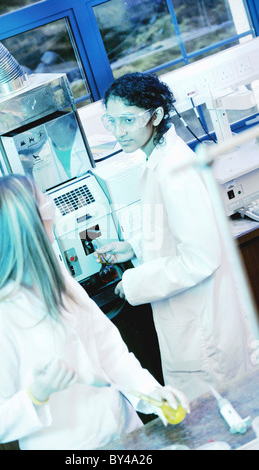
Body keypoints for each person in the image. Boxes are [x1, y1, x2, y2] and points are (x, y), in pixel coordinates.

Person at [0, 174, 189, 450]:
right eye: (42, 203)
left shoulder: (56, 278)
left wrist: (152, 395)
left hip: (125, 435)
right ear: (24, 225)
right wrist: (36, 395)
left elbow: (109, 352)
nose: (51, 211)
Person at [97, 72, 253, 400]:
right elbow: (172, 234)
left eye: (127, 120)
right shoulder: (156, 163)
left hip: (202, 329)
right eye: (111, 121)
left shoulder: (173, 172)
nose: (118, 131)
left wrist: (134, 283)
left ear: (155, 116)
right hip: (188, 321)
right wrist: (133, 248)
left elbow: (199, 258)